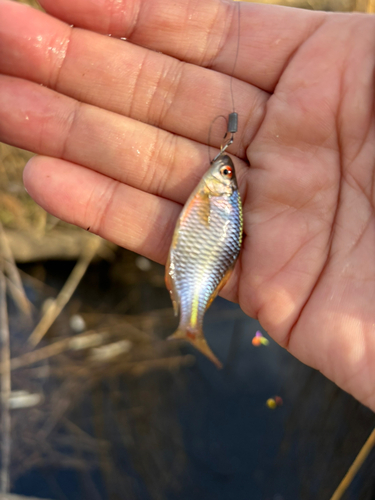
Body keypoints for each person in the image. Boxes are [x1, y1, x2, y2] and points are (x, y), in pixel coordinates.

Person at [0, 0, 374, 411]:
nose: (223, 172)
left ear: (222, 187)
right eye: (228, 174)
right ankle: (189, 324)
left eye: (226, 175)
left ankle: (188, 324)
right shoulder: (219, 198)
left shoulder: (218, 197)